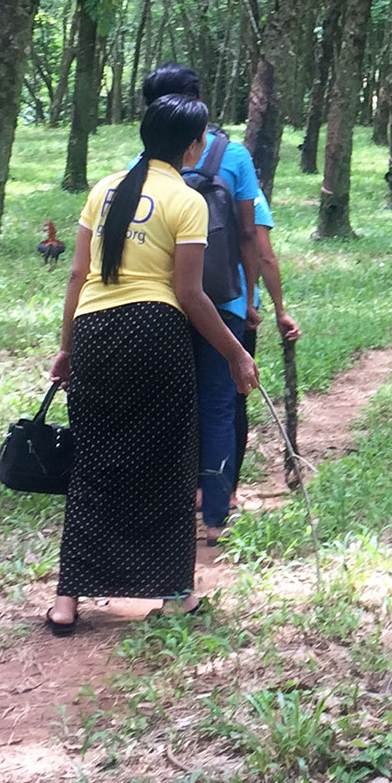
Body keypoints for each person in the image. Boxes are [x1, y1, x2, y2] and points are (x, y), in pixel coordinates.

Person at [45, 93, 257, 635]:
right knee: (168, 460)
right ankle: (172, 592)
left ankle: (67, 598)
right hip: (154, 333)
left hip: (94, 331)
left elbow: (76, 276)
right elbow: (190, 293)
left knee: (91, 460)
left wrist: (67, 348)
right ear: (192, 144)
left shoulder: (104, 189)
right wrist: (235, 354)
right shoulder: (186, 201)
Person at [139, 64, 299, 543]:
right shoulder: (234, 157)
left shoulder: (142, 162)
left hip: (164, 302)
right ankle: (216, 512)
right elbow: (251, 235)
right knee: (221, 402)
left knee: (169, 403)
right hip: (225, 300)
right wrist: (255, 301)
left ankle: (170, 499)